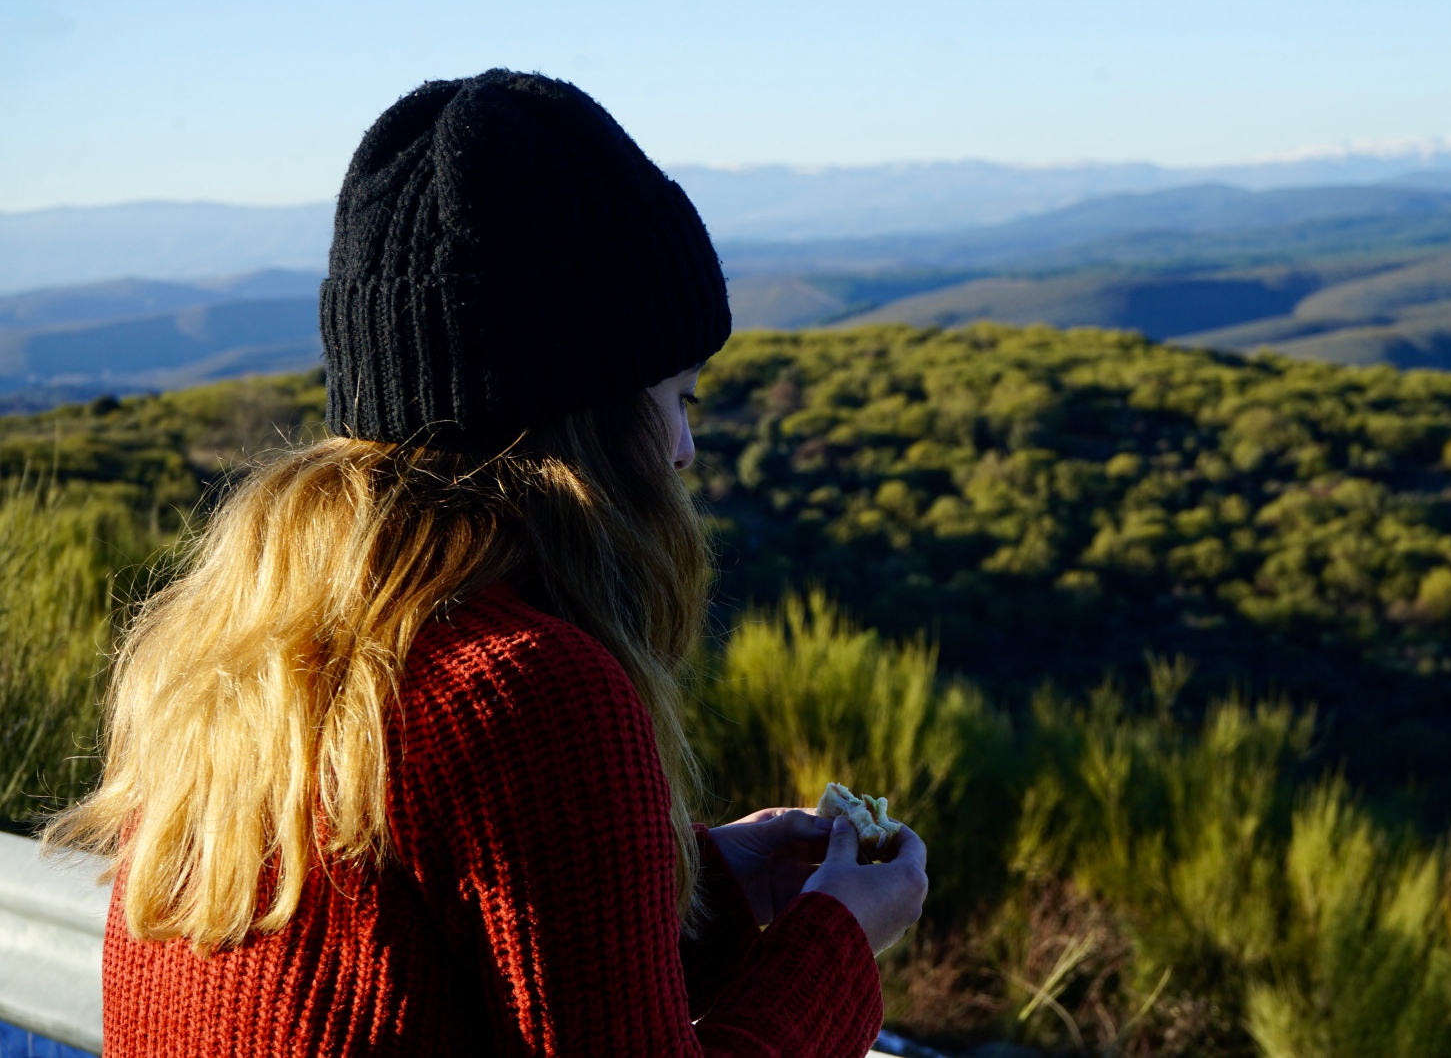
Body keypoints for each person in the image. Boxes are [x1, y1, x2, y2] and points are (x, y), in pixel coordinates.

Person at [49, 70, 927, 1056]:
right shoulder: (526, 694)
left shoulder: (243, 661)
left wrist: (713, 895)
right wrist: (840, 940)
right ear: (582, 407)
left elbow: (437, 982)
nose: (684, 448)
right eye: (676, 395)